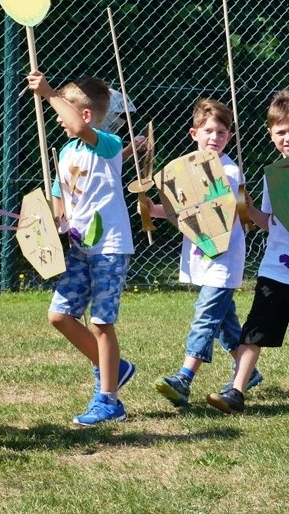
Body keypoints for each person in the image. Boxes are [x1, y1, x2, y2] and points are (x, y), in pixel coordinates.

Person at [207, 90, 289, 414]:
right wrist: (249, 209)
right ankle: (237, 391)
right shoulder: (273, 175)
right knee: (254, 330)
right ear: (271, 135)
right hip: (275, 269)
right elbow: (270, 223)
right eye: (281, 132)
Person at [27, 71, 135, 426]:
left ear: (85, 116)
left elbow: (74, 123)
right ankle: (114, 369)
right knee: (59, 315)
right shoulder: (67, 151)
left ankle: (109, 401)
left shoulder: (108, 144)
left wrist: (47, 93)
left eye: (64, 109)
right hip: (79, 248)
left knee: (102, 322)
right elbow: (61, 195)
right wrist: (52, 220)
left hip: (109, 247)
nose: (58, 117)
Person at [150, 99, 262, 408]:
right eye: (208, 131)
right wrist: (153, 209)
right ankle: (247, 370)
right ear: (194, 133)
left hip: (224, 257)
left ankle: (184, 378)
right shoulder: (187, 168)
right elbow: (183, 212)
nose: (215, 137)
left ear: (229, 137)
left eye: (222, 132)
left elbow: (224, 210)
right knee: (224, 321)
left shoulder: (228, 170)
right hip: (203, 256)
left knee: (205, 316)